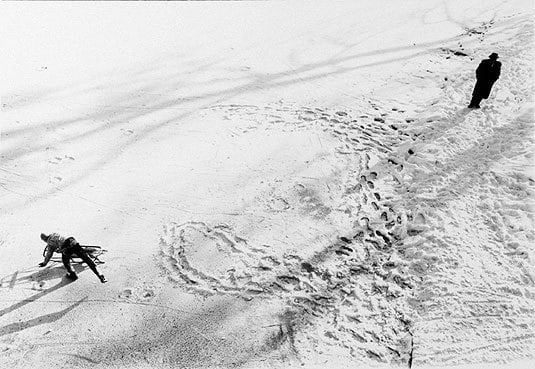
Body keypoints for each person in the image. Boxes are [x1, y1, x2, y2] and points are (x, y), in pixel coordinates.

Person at [39, 233, 107, 283]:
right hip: (72, 241)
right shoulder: (54, 234)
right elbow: (60, 240)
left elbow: (49, 254)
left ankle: (73, 275)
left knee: (66, 262)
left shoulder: (49, 243)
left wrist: (45, 263)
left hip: (66, 247)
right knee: (87, 259)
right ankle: (101, 275)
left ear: (44, 240)